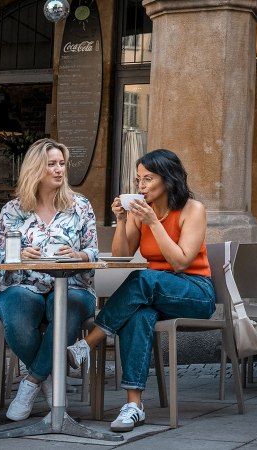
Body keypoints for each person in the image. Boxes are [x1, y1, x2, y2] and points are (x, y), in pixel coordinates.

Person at [66, 149, 215, 433]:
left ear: (168, 179)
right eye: (138, 180)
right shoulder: (139, 212)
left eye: (148, 179)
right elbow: (121, 256)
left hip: (195, 292)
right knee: (140, 313)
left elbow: (181, 262)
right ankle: (134, 405)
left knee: (144, 278)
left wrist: (153, 223)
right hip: (152, 293)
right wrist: (122, 221)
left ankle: (90, 342)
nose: (141, 186)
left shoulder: (192, 209)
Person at [0, 138, 98, 421]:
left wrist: (77, 254)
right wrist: (20, 255)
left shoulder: (81, 207)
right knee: (14, 313)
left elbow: (93, 252)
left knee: (65, 307)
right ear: (35, 169)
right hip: (24, 285)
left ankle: (30, 384)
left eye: (62, 164)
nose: (59, 170)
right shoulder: (13, 211)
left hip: (72, 286)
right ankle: (49, 379)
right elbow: (0, 259)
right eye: (52, 164)